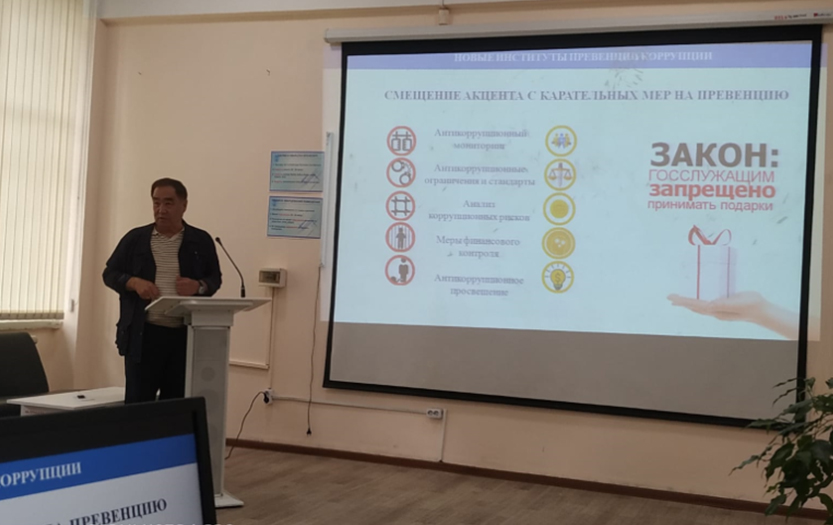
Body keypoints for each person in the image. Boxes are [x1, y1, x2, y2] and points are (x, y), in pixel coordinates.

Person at [103, 178, 222, 404]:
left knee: (175, 405)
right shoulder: (136, 239)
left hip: (184, 336)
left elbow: (214, 279)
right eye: (156, 203)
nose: (161, 210)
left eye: (168, 203)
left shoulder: (200, 240)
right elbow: (109, 274)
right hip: (144, 335)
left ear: (184, 205)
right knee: (139, 406)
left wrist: (198, 286)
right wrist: (134, 283)